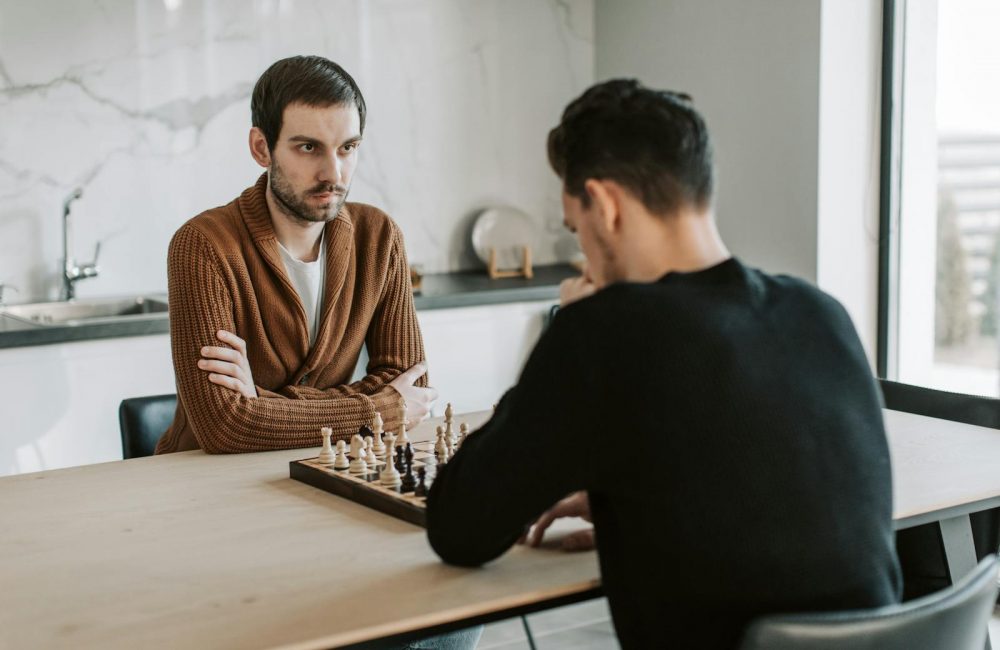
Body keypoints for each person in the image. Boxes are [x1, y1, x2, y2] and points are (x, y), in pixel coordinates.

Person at [426, 79, 901, 649]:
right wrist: (642, 498)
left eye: (576, 229)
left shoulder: (603, 331)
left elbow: (459, 527)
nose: (583, 255)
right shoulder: (821, 312)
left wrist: (563, 332)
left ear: (604, 206)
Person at [156, 56, 436, 455]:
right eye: (309, 148)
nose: (334, 173)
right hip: (206, 484)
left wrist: (264, 403)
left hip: (322, 470)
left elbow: (415, 389)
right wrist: (377, 409)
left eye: (348, 148)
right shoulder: (203, 246)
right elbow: (225, 426)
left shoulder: (379, 236)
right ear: (261, 148)